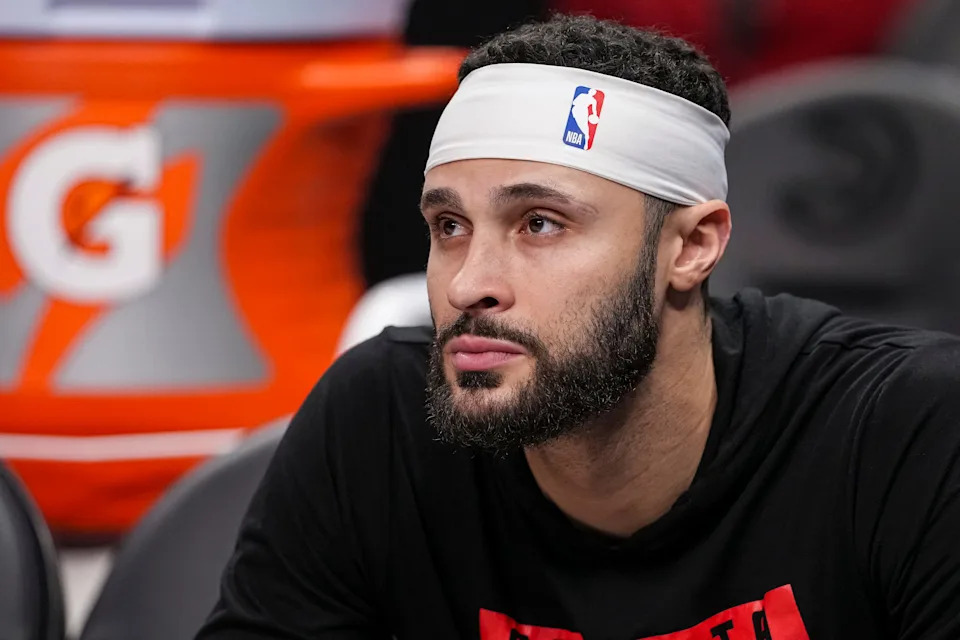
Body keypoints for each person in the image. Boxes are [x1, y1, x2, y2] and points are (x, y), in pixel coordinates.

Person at [197, 14, 960, 640]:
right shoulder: (379, 425)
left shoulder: (905, 431)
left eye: (539, 224)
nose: (469, 284)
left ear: (691, 247)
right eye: (450, 225)